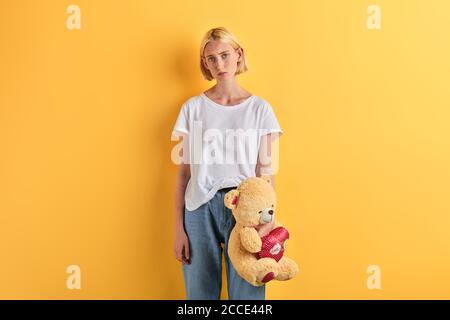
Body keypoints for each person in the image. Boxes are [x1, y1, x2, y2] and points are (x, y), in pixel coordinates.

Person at [171, 27, 283, 300]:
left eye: (224, 55)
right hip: (198, 209)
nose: (219, 64)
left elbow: (265, 173)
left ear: (238, 55)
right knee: (199, 295)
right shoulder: (192, 109)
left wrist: (267, 221)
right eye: (211, 58)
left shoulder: (260, 110)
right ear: (205, 64)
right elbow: (184, 172)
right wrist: (178, 229)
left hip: (246, 210)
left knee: (248, 293)